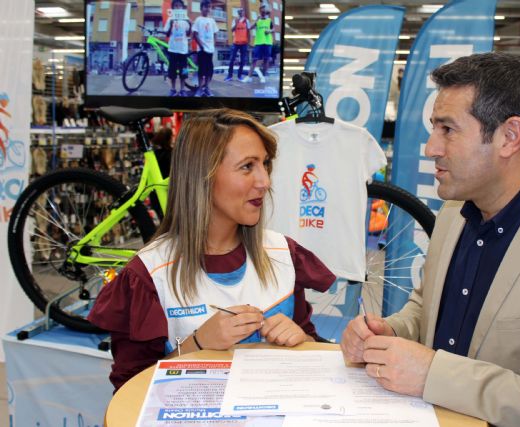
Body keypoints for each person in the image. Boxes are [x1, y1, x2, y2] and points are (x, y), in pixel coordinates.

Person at [340, 52, 520, 426]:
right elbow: (426, 307)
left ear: (509, 137)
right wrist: (392, 332)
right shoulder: (454, 214)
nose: (431, 147)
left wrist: (436, 375)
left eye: (447, 130)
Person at [89, 109, 336, 391]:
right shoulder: (148, 275)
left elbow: (312, 349)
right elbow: (131, 390)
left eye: (264, 165)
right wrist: (196, 344)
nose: (265, 182)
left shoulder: (282, 254)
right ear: (202, 176)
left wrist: (301, 341)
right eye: (247, 166)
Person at [163, 0, 191, 97]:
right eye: (175, 6)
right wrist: (170, 25)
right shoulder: (170, 19)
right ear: (173, 8)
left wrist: (190, 24)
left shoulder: (186, 18)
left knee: (184, 71)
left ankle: (183, 89)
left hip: (183, 50)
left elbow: (188, 33)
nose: (177, 7)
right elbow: (167, 34)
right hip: (173, 49)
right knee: (172, 71)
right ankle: (173, 89)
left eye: (179, 6)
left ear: (182, 8)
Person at [192, 0, 218, 97]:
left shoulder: (212, 21)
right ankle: (199, 89)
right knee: (201, 70)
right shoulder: (198, 20)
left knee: (209, 70)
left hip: (210, 50)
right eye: (205, 7)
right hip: (202, 50)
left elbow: (215, 33)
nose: (207, 9)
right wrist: (202, 45)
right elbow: (195, 34)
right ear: (201, 8)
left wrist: (213, 44)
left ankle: (207, 87)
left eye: (209, 7)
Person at [243, 4, 273, 84]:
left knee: (266, 60)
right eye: (262, 11)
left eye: (264, 11)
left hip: (267, 42)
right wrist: (256, 20)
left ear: (266, 12)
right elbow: (250, 28)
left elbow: (273, 29)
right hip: (258, 42)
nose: (263, 12)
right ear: (260, 11)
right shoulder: (258, 20)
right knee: (254, 60)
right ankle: (249, 77)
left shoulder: (269, 20)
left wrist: (269, 31)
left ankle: (264, 76)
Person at [225, 8, 250, 82]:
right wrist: (236, 23)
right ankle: (229, 76)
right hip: (235, 43)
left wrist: (249, 41)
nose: (241, 12)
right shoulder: (235, 20)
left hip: (244, 43)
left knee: (243, 60)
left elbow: (248, 31)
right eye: (240, 11)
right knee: (232, 59)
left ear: (243, 12)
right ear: (238, 13)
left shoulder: (246, 21)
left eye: (242, 11)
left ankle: (239, 76)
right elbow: (232, 30)